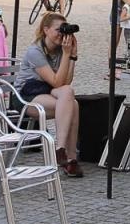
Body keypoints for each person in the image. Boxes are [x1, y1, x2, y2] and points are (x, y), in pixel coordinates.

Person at [16, 13, 84, 177]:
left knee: (70, 96)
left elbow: (65, 83)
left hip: (48, 91)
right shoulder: (35, 51)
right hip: (26, 95)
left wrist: (72, 56)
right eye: (58, 30)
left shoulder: (61, 49)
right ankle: (69, 158)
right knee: (72, 106)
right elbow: (56, 82)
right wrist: (67, 55)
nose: (62, 34)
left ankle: (63, 152)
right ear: (46, 30)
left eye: (64, 30)